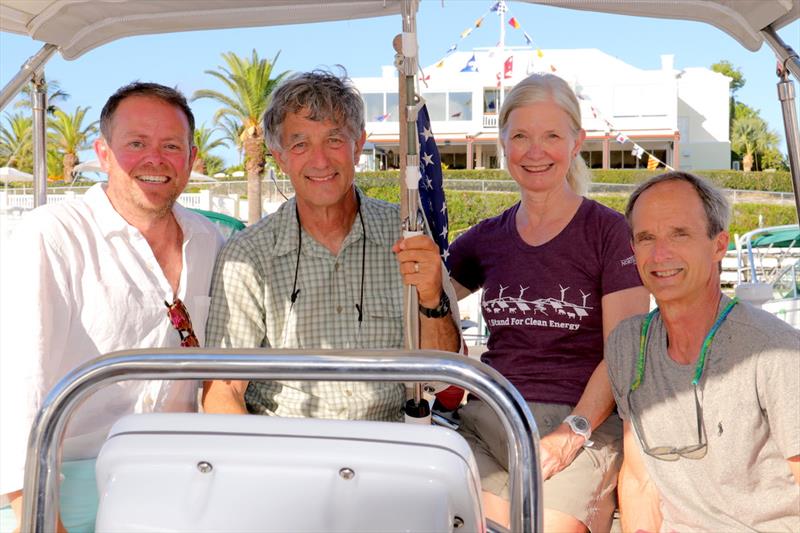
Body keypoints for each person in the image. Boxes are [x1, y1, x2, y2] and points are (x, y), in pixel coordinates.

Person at [0, 82, 224, 533]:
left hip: (176, 481)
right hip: (63, 485)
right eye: (136, 143)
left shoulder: (211, 240)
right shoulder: (50, 236)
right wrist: (40, 518)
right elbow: (17, 386)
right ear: (103, 154)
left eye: (171, 146)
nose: (154, 159)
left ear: (191, 157)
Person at [447, 73, 650, 531]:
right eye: (520, 136)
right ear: (503, 143)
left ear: (577, 141)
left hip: (581, 425)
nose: (535, 151)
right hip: (489, 421)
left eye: (552, 136)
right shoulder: (484, 239)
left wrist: (571, 434)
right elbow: (424, 299)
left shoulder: (609, 232)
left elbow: (624, 348)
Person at [203, 70, 460, 418]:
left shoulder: (408, 234)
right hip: (288, 453)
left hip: (390, 447)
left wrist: (432, 299)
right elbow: (224, 391)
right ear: (279, 157)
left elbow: (443, 381)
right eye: (300, 144)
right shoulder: (249, 255)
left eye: (334, 140)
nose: (320, 160)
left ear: (358, 146)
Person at [606, 171, 800, 531]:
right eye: (646, 237)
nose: (660, 254)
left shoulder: (775, 352)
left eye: (680, 234)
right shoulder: (628, 344)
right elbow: (640, 481)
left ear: (718, 245)